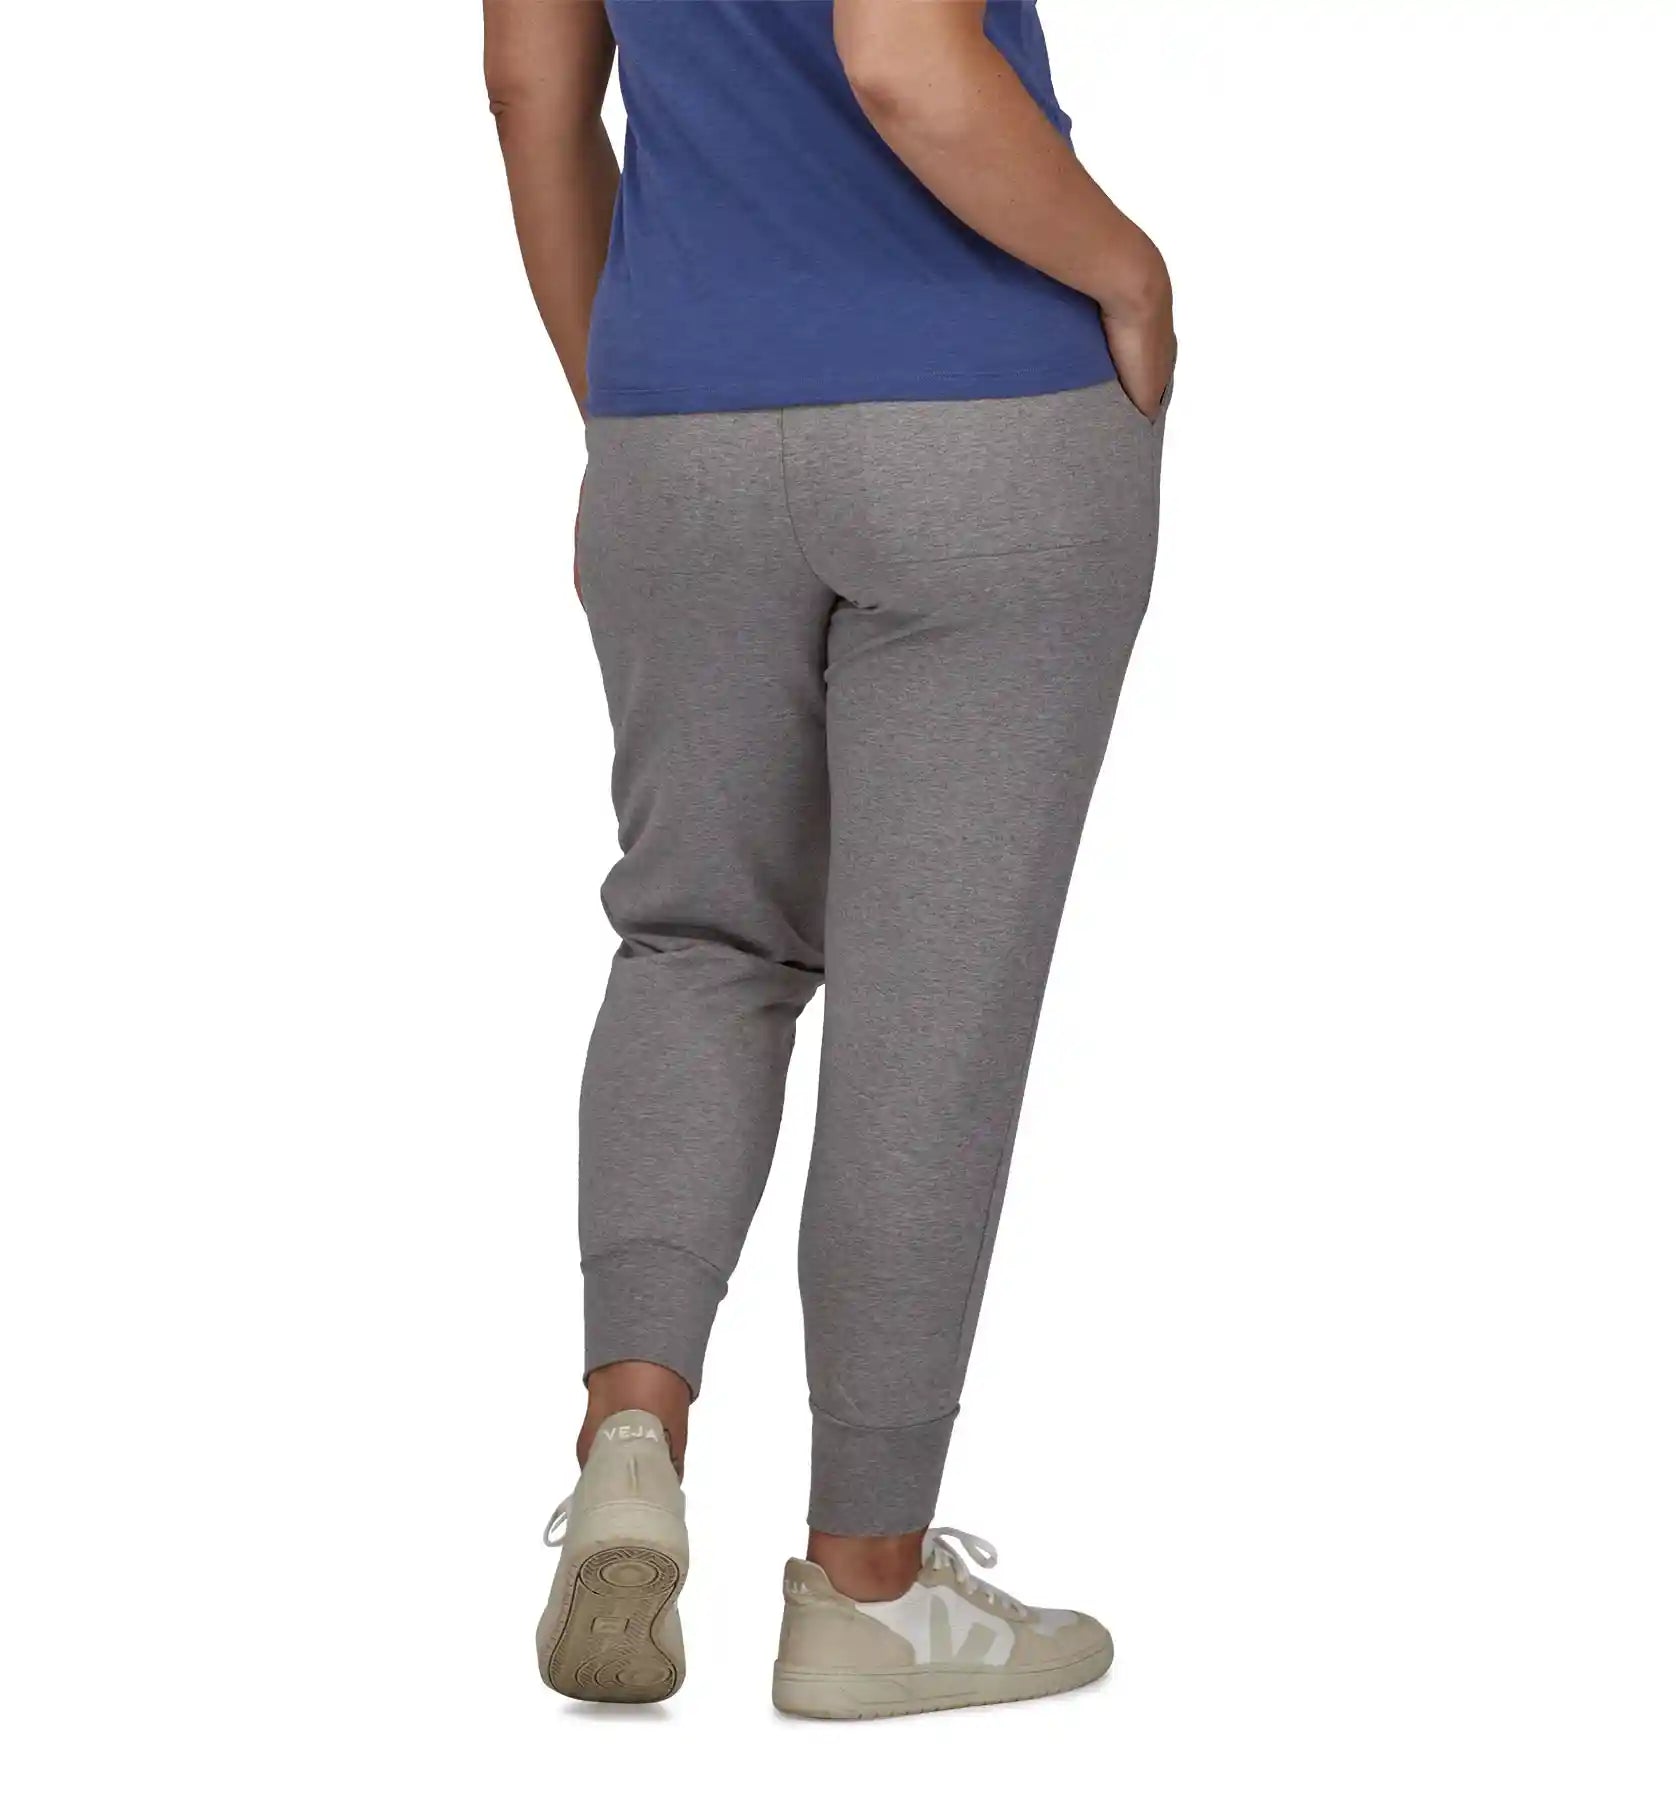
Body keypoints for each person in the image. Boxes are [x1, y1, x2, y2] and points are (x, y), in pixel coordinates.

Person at [486, 0, 1174, 1719]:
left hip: (679, 427)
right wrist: (1131, 267)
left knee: (697, 940)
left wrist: (631, 412)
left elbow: (530, 88)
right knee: (930, 1007)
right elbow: (905, 61)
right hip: (984, 416)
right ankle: (866, 1588)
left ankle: (633, 1429)